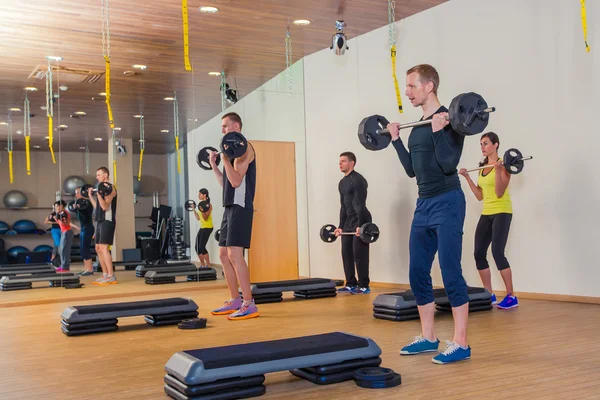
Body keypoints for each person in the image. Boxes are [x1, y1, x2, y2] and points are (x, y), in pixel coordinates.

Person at [386, 64, 471, 364]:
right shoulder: (418, 126)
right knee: (417, 271)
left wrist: (438, 132)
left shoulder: (451, 119)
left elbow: (448, 164)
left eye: (411, 86)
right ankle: (429, 336)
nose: (407, 92)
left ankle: (461, 342)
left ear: (429, 86)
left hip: (448, 201)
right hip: (423, 205)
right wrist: (396, 140)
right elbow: (412, 170)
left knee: (450, 271)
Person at [208, 112, 258, 320]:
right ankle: (235, 299)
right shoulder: (231, 153)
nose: (222, 130)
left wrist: (225, 159)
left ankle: (248, 302)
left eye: (225, 126)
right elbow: (226, 183)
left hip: (241, 206)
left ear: (236, 126)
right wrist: (214, 165)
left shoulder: (245, 149)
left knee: (235, 256)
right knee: (222, 255)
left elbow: (237, 181)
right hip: (229, 206)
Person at [459, 132, 517, 309]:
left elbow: (499, 192)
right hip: (487, 212)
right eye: (481, 144)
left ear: (496, 145)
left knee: (498, 252)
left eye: (486, 143)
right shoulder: (482, 168)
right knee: (478, 253)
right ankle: (488, 293)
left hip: (502, 211)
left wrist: (499, 171)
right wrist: (468, 178)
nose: (483, 147)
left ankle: (511, 296)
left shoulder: (504, 166)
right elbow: (479, 196)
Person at [334, 152, 372, 295]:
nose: (340, 164)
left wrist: (360, 225)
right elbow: (343, 206)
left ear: (352, 163)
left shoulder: (358, 180)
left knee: (359, 253)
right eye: (339, 162)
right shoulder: (342, 183)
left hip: (361, 219)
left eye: (343, 161)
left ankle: (363, 285)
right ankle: (350, 283)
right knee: (346, 252)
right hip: (348, 221)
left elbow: (360, 204)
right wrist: (340, 226)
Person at [88, 167, 118, 285]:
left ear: (105, 175)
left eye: (99, 175)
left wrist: (99, 194)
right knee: (98, 248)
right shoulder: (101, 190)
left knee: (104, 248)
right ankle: (105, 274)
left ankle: (111, 275)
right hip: (100, 220)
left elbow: (105, 207)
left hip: (107, 220)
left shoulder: (111, 189)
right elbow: (98, 207)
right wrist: (91, 196)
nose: (97, 177)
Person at [74, 187, 96, 276]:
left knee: (85, 248)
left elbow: (85, 216)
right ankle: (86, 268)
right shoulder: (80, 204)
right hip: (83, 228)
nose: (76, 195)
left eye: (77, 193)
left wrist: (79, 209)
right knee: (82, 249)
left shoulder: (87, 203)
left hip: (88, 228)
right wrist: (76, 208)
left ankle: (90, 270)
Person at [54, 200, 80, 272]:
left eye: (57, 206)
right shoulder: (61, 214)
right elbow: (65, 223)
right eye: (56, 207)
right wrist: (57, 219)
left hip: (67, 232)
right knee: (62, 250)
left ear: (61, 206)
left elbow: (66, 224)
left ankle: (65, 267)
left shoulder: (64, 213)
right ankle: (63, 266)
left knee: (64, 250)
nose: (56, 208)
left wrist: (59, 219)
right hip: (64, 232)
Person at [193, 188, 214, 268]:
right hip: (202, 227)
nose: (198, 196)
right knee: (197, 247)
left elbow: (205, 218)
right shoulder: (201, 204)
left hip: (208, 227)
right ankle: (202, 264)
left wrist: (201, 210)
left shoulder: (209, 205)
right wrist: (194, 209)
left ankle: (208, 265)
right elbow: (199, 218)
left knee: (201, 247)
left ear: (204, 195)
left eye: (200, 194)